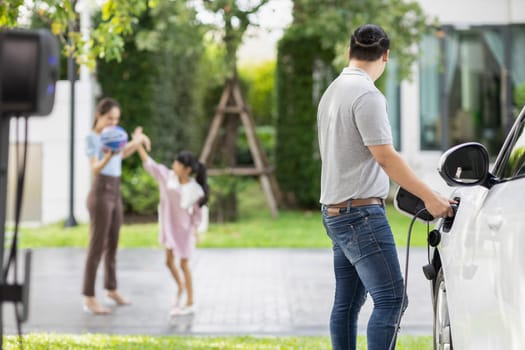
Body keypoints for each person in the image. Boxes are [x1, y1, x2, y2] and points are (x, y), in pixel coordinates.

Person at [317, 24, 454, 350]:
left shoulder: (332, 91)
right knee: (392, 299)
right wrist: (430, 197)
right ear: (386, 56)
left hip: (335, 213)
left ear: (350, 51)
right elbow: (385, 158)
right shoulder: (366, 95)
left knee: (347, 304)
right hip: (360, 215)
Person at [82, 97, 150, 315]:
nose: (113, 122)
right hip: (101, 191)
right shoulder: (92, 138)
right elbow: (95, 168)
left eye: (116, 119)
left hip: (115, 189)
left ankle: (111, 288)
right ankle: (89, 297)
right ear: (98, 116)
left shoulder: (115, 136)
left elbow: (123, 153)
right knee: (96, 246)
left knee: (113, 243)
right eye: (109, 118)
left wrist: (137, 140)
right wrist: (107, 155)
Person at [136, 143, 209, 316]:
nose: (174, 165)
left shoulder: (195, 190)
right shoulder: (167, 178)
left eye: (177, 163)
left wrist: (196, 231)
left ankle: (190, 300)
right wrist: (139, 144)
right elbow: (150, 163)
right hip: (169, 227)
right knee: (168, 261)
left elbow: (197, 214)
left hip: (185, 230)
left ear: (187, 169)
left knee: (184, 264)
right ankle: (180, 286)